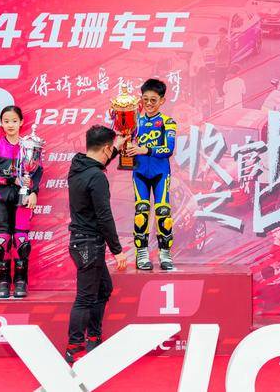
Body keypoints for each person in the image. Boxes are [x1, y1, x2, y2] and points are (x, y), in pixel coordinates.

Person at [65, 125, 128, 363]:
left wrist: (116, 148)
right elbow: (104, 217)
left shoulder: (77, 166)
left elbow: (98, 161)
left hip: (81, 243)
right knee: (85, 298)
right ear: (105, 148)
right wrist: (117, 250)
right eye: (110, 149)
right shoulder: (97, 177)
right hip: (90, 244)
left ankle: (94, 338)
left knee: (103, 289)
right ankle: (74, 347)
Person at [0, 106, 43, 299]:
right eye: (6, 121)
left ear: (21, 122)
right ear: (1, 123)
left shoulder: (30, 146)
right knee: (2, 241)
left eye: (14, 121)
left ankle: (20, 282)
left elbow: (37, 172)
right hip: (2, 198)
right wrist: (11, 180)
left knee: (21, 240)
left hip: (23, 199)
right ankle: (3, 282)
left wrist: (33, 192)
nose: (10, 125)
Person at [127, 79, 178, 270]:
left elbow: (168, 149)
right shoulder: (135, 122)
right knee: (141, 211)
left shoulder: (168, 122)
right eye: (145, 99)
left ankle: (165, 254)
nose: (148, 103)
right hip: (139, 173)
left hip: (160, 174)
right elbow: (125, 141)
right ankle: (142, 254)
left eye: (153, 100)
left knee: (163, 212)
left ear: (162, 101)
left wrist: (145, 150)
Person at [214, 27, 231, 102]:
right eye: (219, 33)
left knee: (220, 81)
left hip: (223, 64)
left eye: (221, 33)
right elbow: (215, 50)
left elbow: (222, 52)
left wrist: (216, 53)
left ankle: (221, 96)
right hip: (218, 64)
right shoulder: (219, 42)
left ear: (225, 34)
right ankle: (222, 95)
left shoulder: (226, 42)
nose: (219, 35)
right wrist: (215, 53)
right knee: (218, 80)